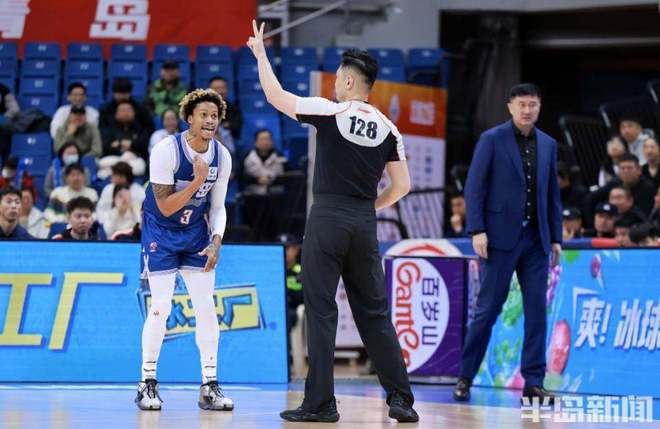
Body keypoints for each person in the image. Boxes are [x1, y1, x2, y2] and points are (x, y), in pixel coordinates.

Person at [247, 21, 417, 423]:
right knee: (374, 314)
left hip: (327, 216)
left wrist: (261, 55)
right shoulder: (389, 128)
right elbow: (403, 186)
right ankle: (401, 399)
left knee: (321, 312)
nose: (336, 85)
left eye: (338, 80)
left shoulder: (332, 111)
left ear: (347, 81)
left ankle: (321, 403)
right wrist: (369, 207)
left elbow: (276, 96)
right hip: (363, 221)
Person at [455, 83, 562, 405]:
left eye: (533, 104)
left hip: (536, 239)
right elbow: (474, 187)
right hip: (498, 238)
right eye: (522, 104)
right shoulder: (492, 139)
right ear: (510, 106)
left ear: (539, 106)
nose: (527, 110)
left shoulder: (548, 144)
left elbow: (552, 195)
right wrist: (477, 229)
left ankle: (534, 383)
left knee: (537, 312)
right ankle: (465, 377)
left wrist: (556, 237)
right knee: (487, 310)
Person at [136, 88, 232, 412]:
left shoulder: (222, 156)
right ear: (189, 118)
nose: (210, 121)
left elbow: (217, 207)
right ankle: (147, 382)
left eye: (214, 116)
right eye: (204, 115)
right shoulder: (166, 150)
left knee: (206, 307)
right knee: (161, 307)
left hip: (194, 235)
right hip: (160, 233)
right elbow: (164, 206)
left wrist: (216, 240)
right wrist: (195, 182)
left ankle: (209, 385)